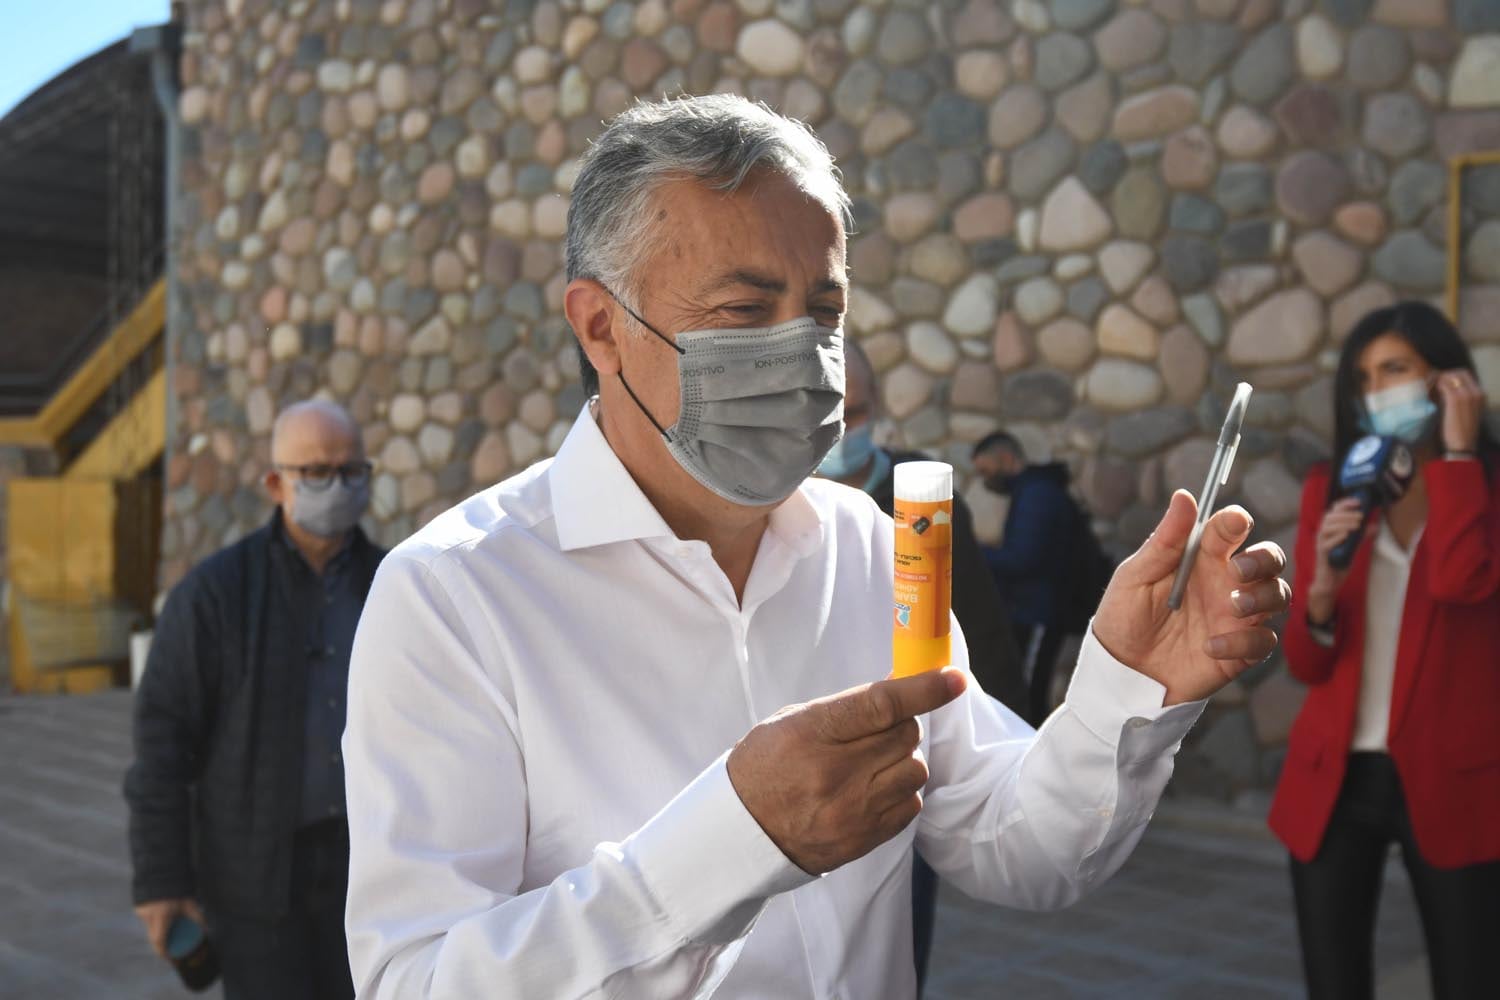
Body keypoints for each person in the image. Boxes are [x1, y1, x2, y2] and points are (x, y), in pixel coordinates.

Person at [342, 94, 1289, 999]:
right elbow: (420, 982)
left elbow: (1015, 845)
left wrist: (1129, 685)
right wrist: (735, 839)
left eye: (824, 313)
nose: (799, 356)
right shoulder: (453, 596)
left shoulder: (872, 551)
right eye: (745, 312)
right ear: (600, 327)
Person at [1269, 301, 1500, 999]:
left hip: (1457, 781)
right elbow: (1308, 665)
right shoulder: (1333, 489)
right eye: (1365, 377)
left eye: (1395, 369)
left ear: (1446, 378)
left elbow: (1462, 581)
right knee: (1333, 983)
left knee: (1469, 980)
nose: (1378, 392)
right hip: (1335, 782)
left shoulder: (1485, 487)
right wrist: (1320, 593)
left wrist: (1458, 458)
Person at [125, 400, 384, 1000]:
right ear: (276, 483)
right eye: (316, 473)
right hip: (254, 879)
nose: (337, 487)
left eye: (351, 471)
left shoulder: (395, 580)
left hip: (370, 869)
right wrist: (161, 879)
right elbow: (163, 742)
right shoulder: (215, 596)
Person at [815, 338, 1026, 993]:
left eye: (856, 413)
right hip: (819, 766)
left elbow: (983, 624)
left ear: (877, 410)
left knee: (901, 943)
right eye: (828, 412)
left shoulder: (922, 499)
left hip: (913, 761)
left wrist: (1016, 748)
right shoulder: (780, 510)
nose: (843, 430)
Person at [971, 431, 1087, 724]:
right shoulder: (1033, 490)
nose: (986, 480)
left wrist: (974, 552)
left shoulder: (1038, 494)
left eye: (986, 470)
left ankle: (1030, 764)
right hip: (1032, 609)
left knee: (1027, 694)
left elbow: (1023, 558)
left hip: (1040, 612)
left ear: (1007, 459)